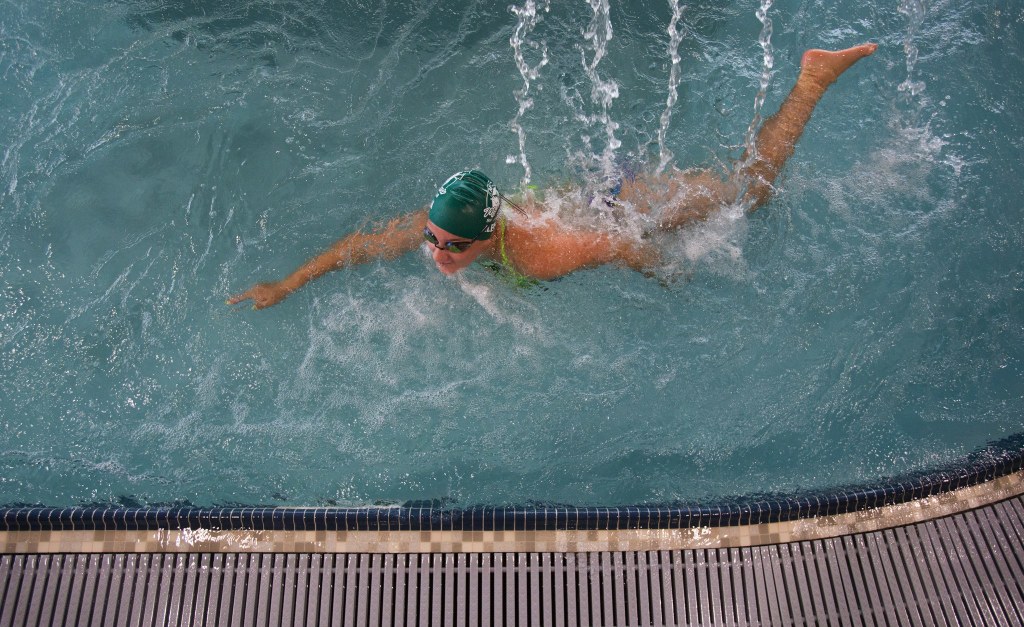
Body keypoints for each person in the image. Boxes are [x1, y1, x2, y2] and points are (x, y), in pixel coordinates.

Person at [229, 44, 877, 310]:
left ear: (485, 236)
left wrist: (671, 274)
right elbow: (357, 246)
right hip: (586, 195)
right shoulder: (447, 229)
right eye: (433, 239)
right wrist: (284, 284)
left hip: (624, 206)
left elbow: (620, 243)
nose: (436, 253)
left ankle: (813, 79)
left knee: (746, 196)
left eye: (451, 245)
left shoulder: (544, 254)